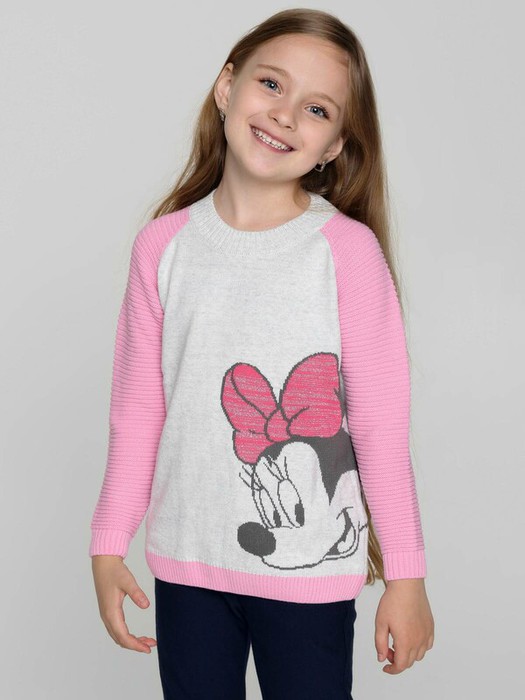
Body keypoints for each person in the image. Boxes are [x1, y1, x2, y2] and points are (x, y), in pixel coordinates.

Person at [89, 8, 434, 699]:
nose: (284, 114)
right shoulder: (162, 247)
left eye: (316, 108)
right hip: (187, 563)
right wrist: (107, 542)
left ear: (334, 145)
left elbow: (378, 426)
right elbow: (138, 411)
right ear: (226, 87)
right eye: (271, 84)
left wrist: (406, 576)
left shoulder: (345, 253)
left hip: (310, 576)